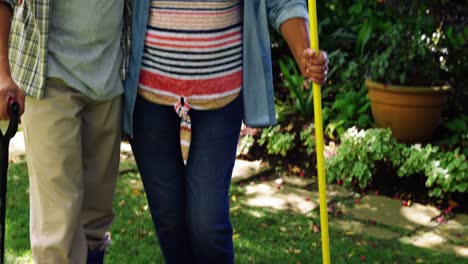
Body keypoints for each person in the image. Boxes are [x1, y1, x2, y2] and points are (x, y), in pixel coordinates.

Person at [123, 0, 328, 263]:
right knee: (168, 219)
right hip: (149, 94)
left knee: (207, 225)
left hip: (220, 95)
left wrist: (304, 53)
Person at [0, 1, 130, 263]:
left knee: (95, 221)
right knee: (57, 233)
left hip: (109, 75)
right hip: (48, 78)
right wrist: (2, 73)